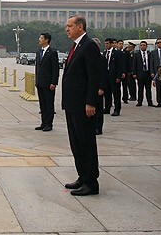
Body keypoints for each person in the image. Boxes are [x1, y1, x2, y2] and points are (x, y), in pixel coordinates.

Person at [62, 15, 101, 196]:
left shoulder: (89, 45)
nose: (67, 29)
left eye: (70, 26)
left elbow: (95, 76)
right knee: (76, 143)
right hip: (72, 104)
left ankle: (91, 182)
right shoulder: (76, 46)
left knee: (86, 143)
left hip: (83, 105)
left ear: (80, 26)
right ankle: (82, 176)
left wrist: (91, 102)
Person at [34, 33, 59, 131]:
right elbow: (37, 68)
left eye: (41, 38)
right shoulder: (38, 52)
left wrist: (54, 82)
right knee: (42, 104)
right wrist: (37, 81)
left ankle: (49, 124)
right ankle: (43, 123)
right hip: (40, 83)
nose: (39, 39)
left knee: (49, 104)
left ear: (47, 40)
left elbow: (55, 69)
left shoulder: (52, 52)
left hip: (49, 84)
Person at [103, 38, 123, 116]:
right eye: (105, 44)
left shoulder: (117, 53)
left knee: (116, 94)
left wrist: (119, 76)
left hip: (114, 76)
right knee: (107, 93)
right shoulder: (104, 53)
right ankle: (107, 108)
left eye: (108, 43)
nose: (106, 45)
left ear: (111, 44)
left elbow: (120, 66)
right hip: (106, 76)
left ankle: (117, 109)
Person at [92, 37, 107, 135]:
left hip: (98, 87)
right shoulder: (89, 56)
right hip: (90, 87)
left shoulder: (101, 58)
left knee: (98, 109)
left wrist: (101, 87)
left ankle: (98, 127)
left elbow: (103, 74)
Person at [133, 41, 154, 106]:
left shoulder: (149, 54)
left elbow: (151, 63)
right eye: (141, 45)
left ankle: (149, 102)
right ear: (140, 46)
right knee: (140, 89)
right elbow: (134, 64)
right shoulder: (137, 54)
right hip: (140, 74)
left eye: (144, 45)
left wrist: (152, 72)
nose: (143, 46)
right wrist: (134, 73)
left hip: (147, 73)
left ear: (146, 46)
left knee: (148, 89)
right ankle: (140, 101)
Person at [150, 39, 161, 107]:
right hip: (157, 73)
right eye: (158, 43)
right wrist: (152, 72)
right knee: (158, 88)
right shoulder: (153, 52)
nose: (159, 44)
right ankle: (159, 102)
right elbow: (151, 63)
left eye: (160, 42)